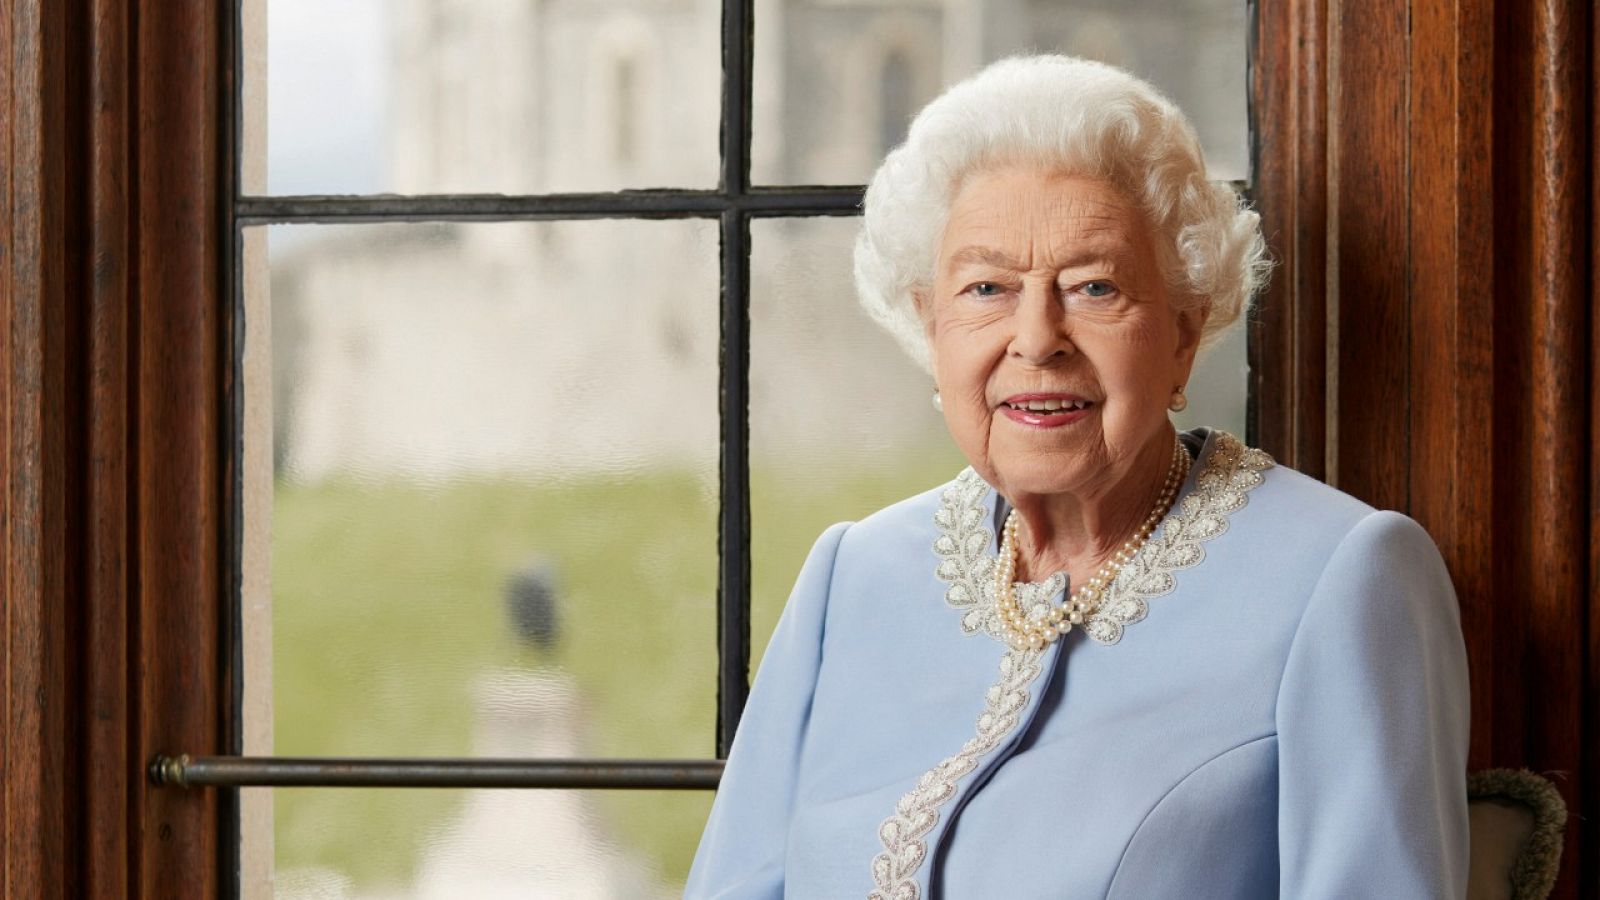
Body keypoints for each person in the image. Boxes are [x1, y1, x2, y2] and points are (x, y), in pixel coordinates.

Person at [685, 54, 1469, 899]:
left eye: (1093, 287)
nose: (1035, 338)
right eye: (986, 288)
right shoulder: (852, 577)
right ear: (932, 328)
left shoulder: (1342, 576)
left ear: (1181, 331)